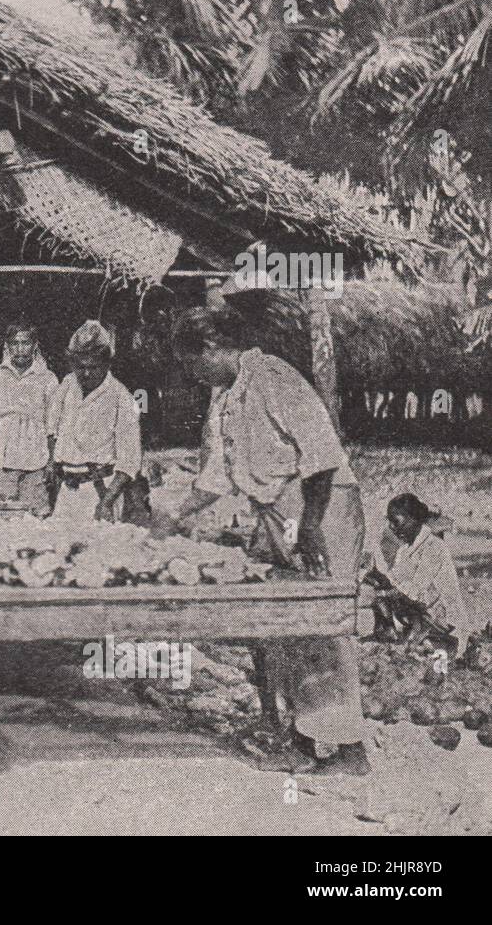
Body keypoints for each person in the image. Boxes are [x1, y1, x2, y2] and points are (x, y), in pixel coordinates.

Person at [156, 306, 369, 775]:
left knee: (322, 621)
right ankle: (299, 735)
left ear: (211, 348)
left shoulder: (274, 377)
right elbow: (215, 477)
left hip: (322, 505)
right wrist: (172, 516)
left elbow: (322, 454)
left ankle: (350, 751)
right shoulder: (228, 398)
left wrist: (311, 525)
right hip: (278, 511)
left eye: (193, 365)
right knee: (276, 618)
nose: (192, 376)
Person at [53, 321, 145, 522]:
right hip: (66, 491)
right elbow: (52, 429)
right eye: (80, 367)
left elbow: (129, 462)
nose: (86, 374)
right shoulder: (68, 384)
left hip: (100, 492)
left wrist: (106, 503)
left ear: (107, 363)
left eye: (93, 367)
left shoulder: (122, 398)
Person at [364, 493, 473, 653]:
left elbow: (414, 593)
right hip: (421, 620)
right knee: (375, 583)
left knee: (416, 652)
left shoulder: (433, 547)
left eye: (396, 522)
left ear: (413, 518)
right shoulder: (404, 550)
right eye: (390, 522)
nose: (392, 528)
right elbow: (395, 584)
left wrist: (384, 588)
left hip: (445, 625)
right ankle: (388, 632)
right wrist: (376, 574)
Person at [0, 323, 60, 516]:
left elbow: (53, 425)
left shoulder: (48, 379)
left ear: (35, 345)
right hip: (4, 462)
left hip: (37, 461)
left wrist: (52, 463)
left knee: (37, 516)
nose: (20, 349)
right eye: (15, 343)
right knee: (2, 515)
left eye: (25, 343)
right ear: (7, 346)